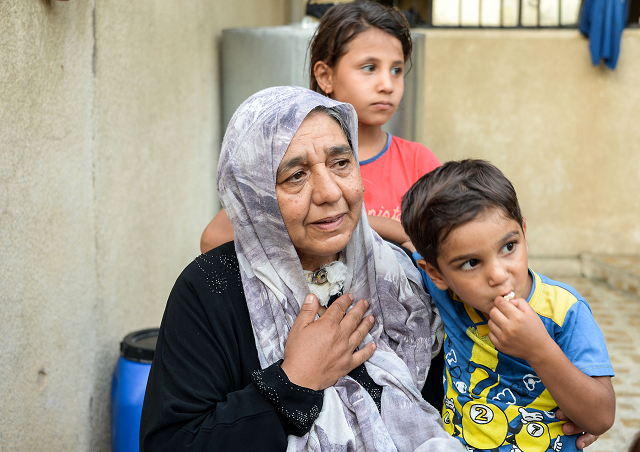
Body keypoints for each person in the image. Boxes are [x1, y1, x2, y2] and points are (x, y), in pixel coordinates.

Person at [140, 86, 465, 451]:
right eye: (295, 175)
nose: (329, 192)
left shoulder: (399, 277)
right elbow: (172, 443)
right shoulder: (211, 288)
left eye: (341, 163)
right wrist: (292, 383)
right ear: (256, 196)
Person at [400, 159, 616, 451]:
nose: (499, 274)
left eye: (508, 247)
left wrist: (539, 349)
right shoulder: (448, 295)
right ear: (437, 274)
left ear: (524, 233)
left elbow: (601, 417)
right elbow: (399, 239)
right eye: (471, 263)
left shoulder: (565, 310)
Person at [200, 1, 440, 253]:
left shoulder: (418, 163)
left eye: (396, 70)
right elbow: (213, 240)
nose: (387, 84)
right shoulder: (288, 158)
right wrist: (385, 228)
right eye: (369, 68)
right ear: (325, 76)